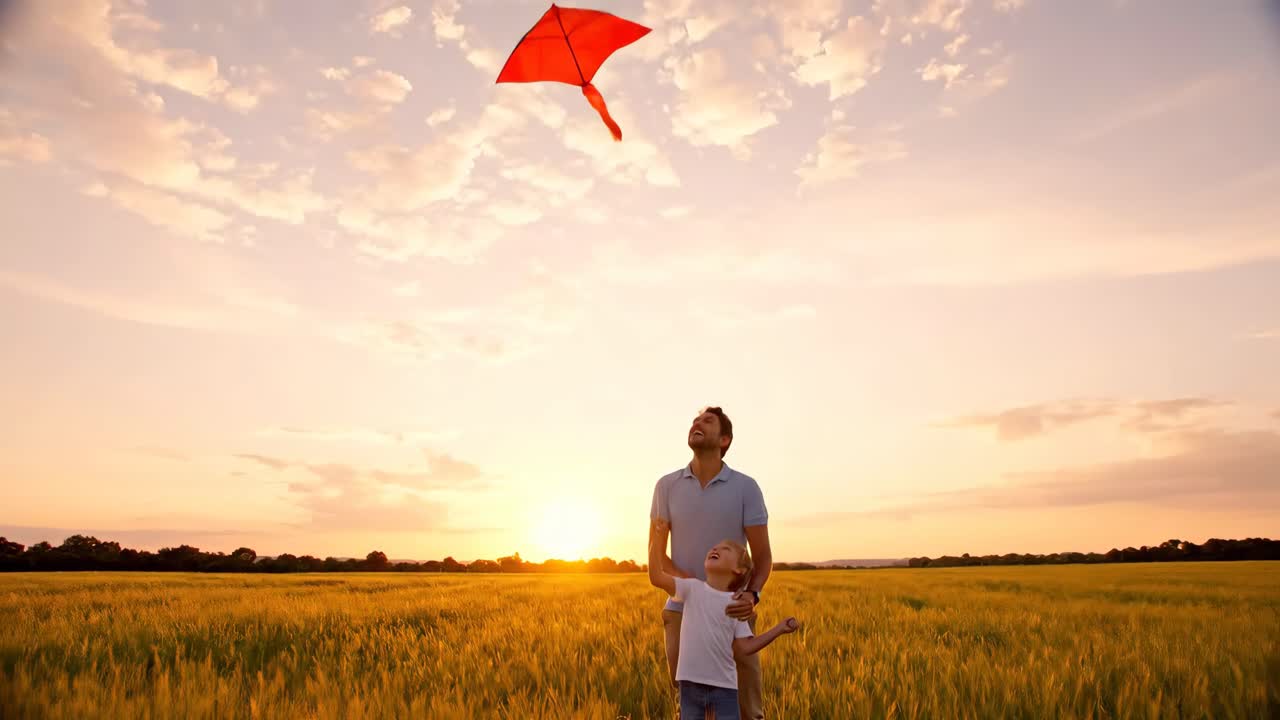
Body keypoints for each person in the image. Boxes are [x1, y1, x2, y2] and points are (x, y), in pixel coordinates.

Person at [649, 406, 774, 719]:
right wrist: (695, 591)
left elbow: (762, 557)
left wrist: (751, 594)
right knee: (691, 707)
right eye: (694, 420)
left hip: (732, 611)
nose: (696, 424)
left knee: (747, 709)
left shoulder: (746, 487)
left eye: (707, 421)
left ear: (725, 440)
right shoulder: (666, 486)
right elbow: (656, 551)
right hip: (681, 612)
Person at [648, 518, 800, 720]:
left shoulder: (737, 605)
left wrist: (780, 628)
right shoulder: (691, 588)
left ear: (739, 569)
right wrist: (658, 538)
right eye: (715, 547)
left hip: (725, 689)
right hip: (690, 686)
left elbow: (745, 647)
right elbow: (656, 577)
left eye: (726, 549)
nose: (716, 548)